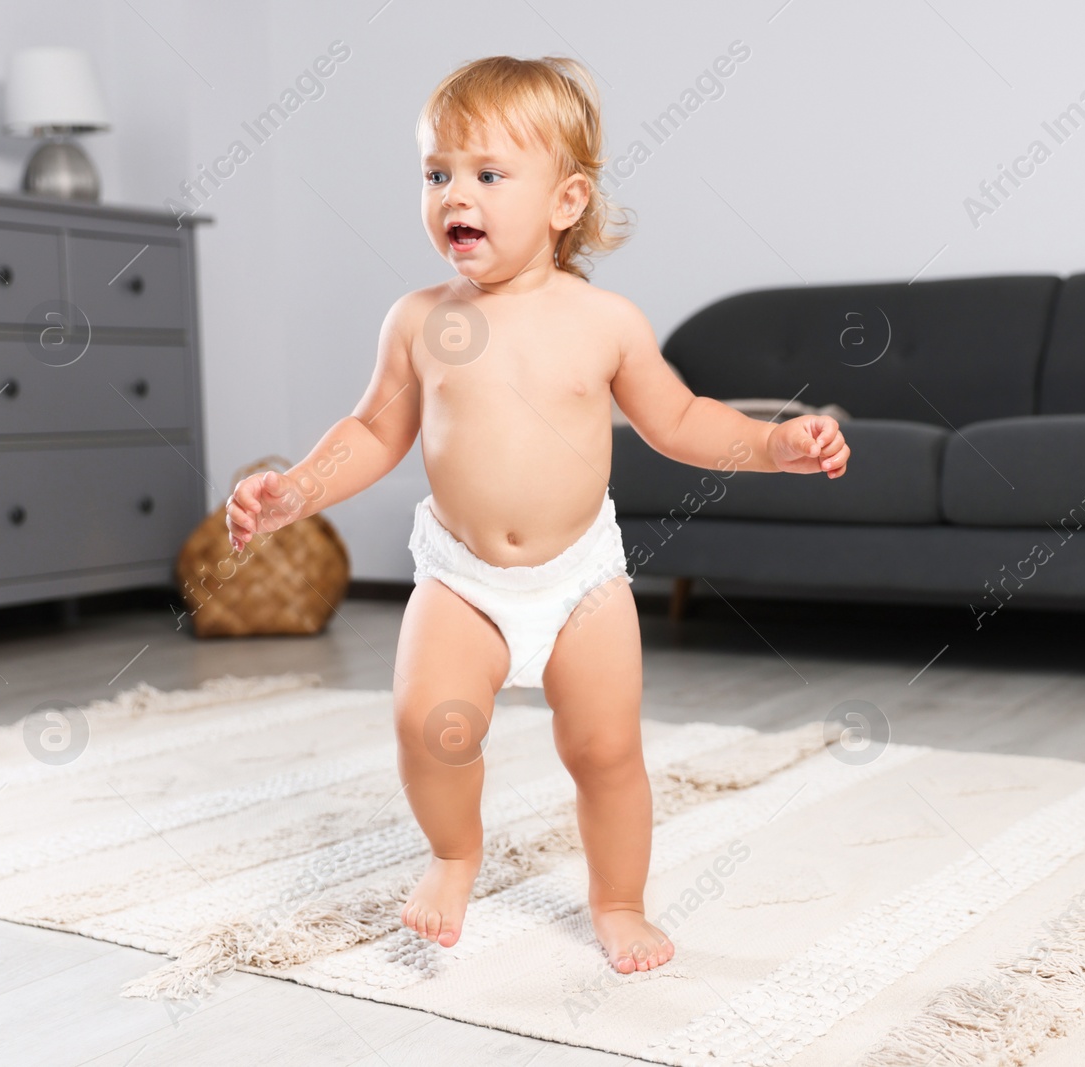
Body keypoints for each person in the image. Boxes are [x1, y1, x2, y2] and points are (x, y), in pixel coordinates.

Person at [224, 55, 849, 974]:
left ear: (566, 202)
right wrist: (298, 489)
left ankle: (619, 899)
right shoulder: (419, 319)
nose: (453, 196)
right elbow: (372, 429)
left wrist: (772, 442)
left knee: (605, 750)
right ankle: (454, 853)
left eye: (486, 174)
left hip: (580, 582)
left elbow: (679, 421)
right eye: (437, 174)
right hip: (462, 577)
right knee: (426, 722)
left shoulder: (605, 322)